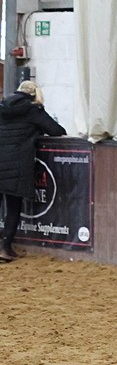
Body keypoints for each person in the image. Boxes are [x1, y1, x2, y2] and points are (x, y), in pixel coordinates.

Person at [0, 80, 68, 260]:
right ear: (33, 95)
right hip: (16, 165)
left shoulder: (1, 107)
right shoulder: (32, 110)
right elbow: (56, 130)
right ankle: (5, 248)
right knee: (13, 207)